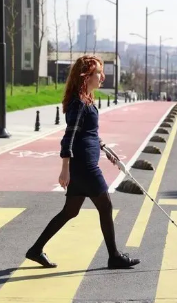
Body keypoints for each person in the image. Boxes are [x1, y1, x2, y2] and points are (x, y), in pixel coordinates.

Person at [25, 54, 140, 269]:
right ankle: (114, 256)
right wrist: (64, 169)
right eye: (98, 73)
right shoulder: (79, 102)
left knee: (70, 211)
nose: (102, 77)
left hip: (85, 162)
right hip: (85, 166)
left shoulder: (86, 99)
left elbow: (88, 133)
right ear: (86, 76)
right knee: (105, 206)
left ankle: (35, 249)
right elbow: (69, 136)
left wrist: (104, 147)